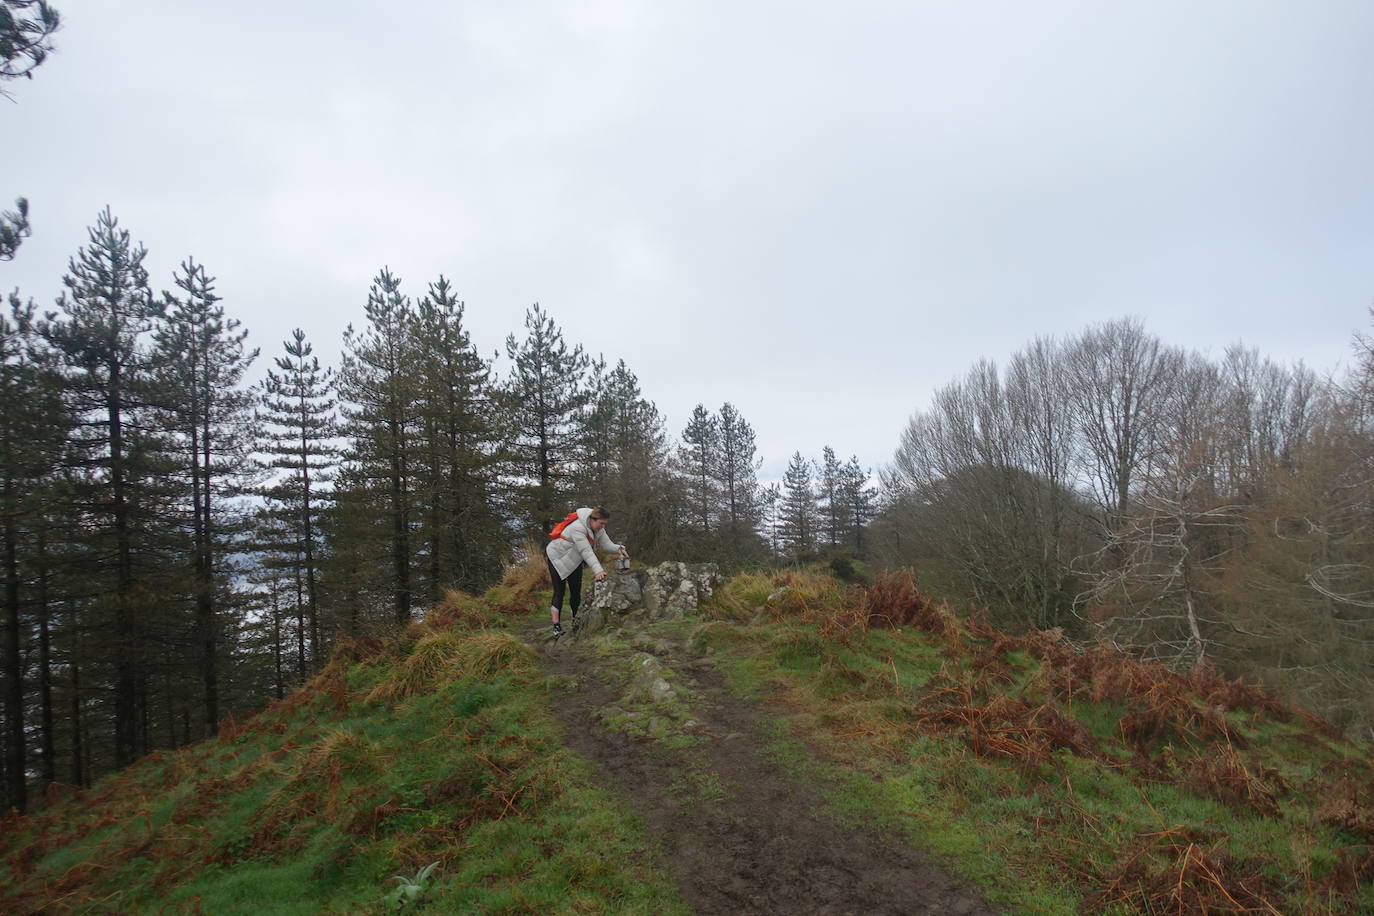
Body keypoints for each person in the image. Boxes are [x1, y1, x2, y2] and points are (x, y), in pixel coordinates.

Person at [545, 506, 629, 636]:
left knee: (576, 592)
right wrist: (598, 571)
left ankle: (575, 622)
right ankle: (556, 627)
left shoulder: (599, 529)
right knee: (559, 592)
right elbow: (586, 551)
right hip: (557, 558)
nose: (603, 526)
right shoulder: (577, 527)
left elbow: (607, 545)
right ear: (592, 519)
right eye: (601, 523)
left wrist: (619, 548)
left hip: (575, 560)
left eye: (605, 524)